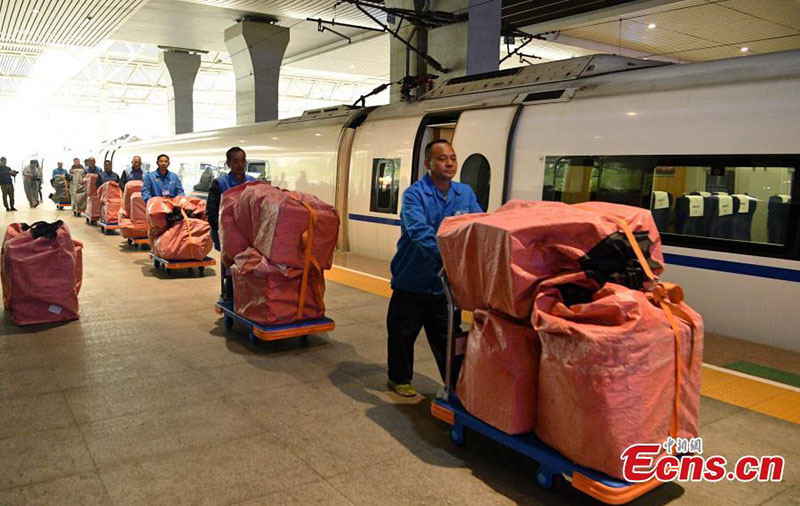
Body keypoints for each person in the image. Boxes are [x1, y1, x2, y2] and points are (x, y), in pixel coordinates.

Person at [386, 139, 482, 397]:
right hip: (411, 279)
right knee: (402, 335)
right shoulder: (414, 195)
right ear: (428, 163)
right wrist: (451, 257)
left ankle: (456, 387)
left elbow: (477, 224)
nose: (449, 163)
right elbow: (419, 231)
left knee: (448, 340)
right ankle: (399, 379)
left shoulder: (465, 193)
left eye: (452, 157)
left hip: (445, 287)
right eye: (442, 158)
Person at [207, 147, 255, 251]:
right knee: (227, 263)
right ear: (228, 163)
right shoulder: (219, 183)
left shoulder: (253, 183)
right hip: (225, 235)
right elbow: (211, 212)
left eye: (243, 160)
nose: (240, 165)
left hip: (248, 235)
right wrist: (221, 232)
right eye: (235, 161)